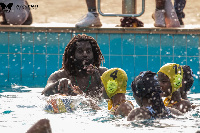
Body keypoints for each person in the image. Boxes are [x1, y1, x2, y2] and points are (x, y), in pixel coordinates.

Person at [42, 34, 108, 100]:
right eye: (80, 51)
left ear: (94, 55)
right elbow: (44, 94)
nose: (85, 54)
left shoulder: (103, 74)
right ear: (72, 56)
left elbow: (111, 98)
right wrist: (57, 85)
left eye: (88, 51)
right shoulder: (59, 76)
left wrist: (98, 79)